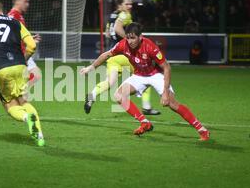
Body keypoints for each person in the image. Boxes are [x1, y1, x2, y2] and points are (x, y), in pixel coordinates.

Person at [80, 22, 210, 141]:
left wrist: (165, 92)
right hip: (139, 75)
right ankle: (145, 122)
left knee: (171, 103)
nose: (130, 41)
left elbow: (167, 67)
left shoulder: (150, 46)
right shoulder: (122, 45)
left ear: (140, 37)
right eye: (128, 38)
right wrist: (91, 68)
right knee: (118, 95)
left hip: (155, 75)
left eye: (133, 38)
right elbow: (105, 55)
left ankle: (202, 130)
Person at [0, 0, 45, 146]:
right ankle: (39, 135)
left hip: (1, 68)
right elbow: (32, 45)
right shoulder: (15, 22)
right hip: (20, 66)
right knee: (23, 100)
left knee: (10, 106)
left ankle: (27, 118)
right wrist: (24, 58)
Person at [85, 0, 160, 115]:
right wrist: (129, 39)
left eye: (131, 3)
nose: (130, 6)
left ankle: (92, 95)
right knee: (146, 73)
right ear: (120, 5)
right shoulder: (125, 15)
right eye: (127, 4)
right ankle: (146, 107)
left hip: (114, 56)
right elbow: (117, 28)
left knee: (110, 82)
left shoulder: (112, 15)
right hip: (123, 55)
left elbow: (108, 33)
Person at [0, 0, 42, 119]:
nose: (28, 4)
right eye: (25, 1)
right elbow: (7, 36)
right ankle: (15, 100)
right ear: (18, 1)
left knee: (35, 76)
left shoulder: (18, 15)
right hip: (18, 54)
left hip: (21, 51)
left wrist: (30, 38)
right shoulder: (12, 15)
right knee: (34, 75)